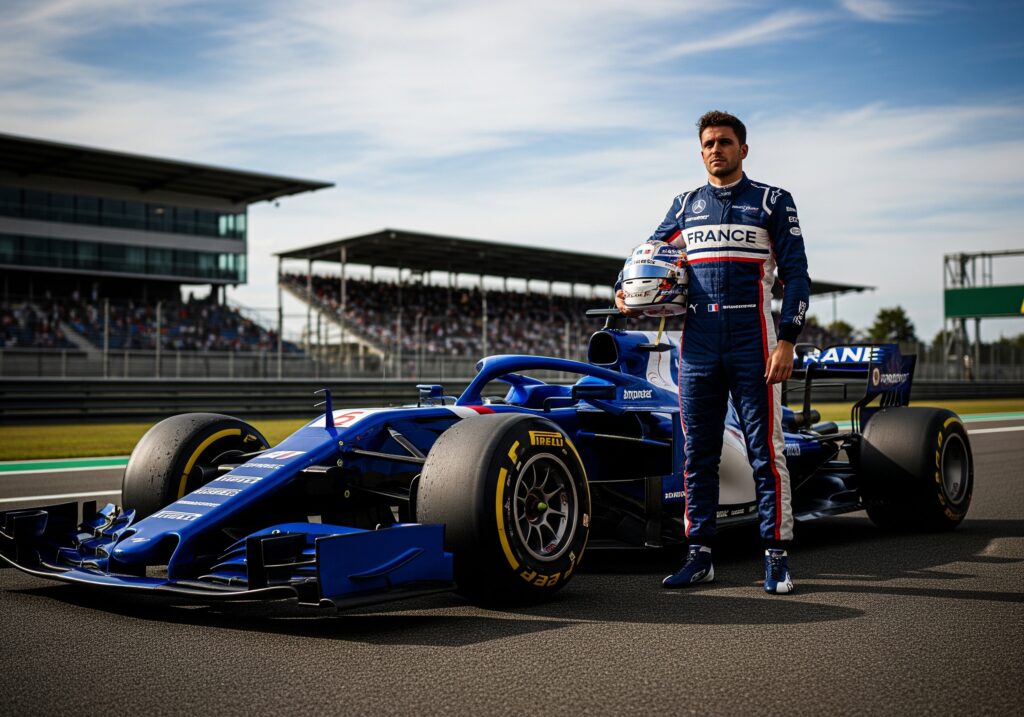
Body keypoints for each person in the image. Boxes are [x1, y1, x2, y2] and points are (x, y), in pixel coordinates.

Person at [616, 110, 810, 594]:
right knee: (698, 454)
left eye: (724, 141)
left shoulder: (772, 201)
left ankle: (776, 556)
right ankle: (699, 555)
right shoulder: (685, 205)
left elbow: (799, 275)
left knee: (767, 450)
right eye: (707, 143)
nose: (715, 149)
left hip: (755, 335)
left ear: (743, 149)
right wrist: (624, 290)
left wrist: (788, 338)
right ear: (700, 150)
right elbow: (647, 253)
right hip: (698, 340)